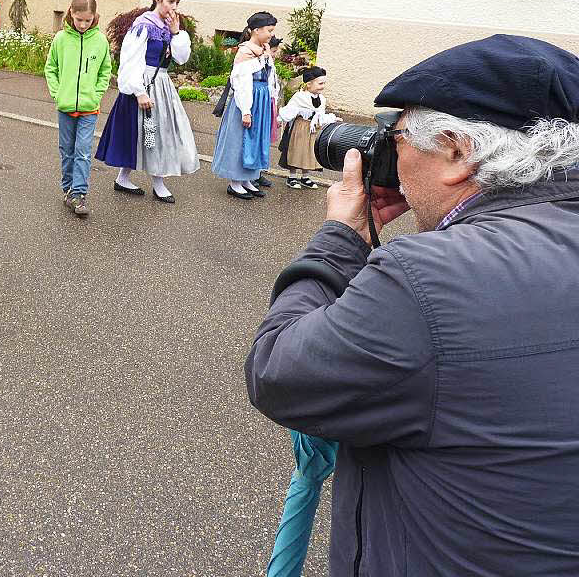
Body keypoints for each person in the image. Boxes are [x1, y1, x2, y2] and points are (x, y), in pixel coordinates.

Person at [245, 34, 579, 574]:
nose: (389, 161)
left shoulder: (431, 278)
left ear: (455, 150)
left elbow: (279, 371)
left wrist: (341, 235)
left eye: (395, 139)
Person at [95, 0, 199, 203]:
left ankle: (140, 180)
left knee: (156, 134)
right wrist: (139, 92)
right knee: (141, 133)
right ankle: (142, 181)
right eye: (171, 1)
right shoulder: (143, 24)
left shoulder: (170, 27)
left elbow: (181, 59)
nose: (174, 7)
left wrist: (176, 32)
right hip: (142, 84)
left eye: (177, 2)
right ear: (157, 0)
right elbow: (130, 60)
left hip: (162, 84)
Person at [43, 0, 112, 218]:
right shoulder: (61, 39)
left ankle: (79, 194)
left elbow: (105, 71)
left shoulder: (100, 41)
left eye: (88, 21)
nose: (83, 25)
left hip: (88, 108)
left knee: (83, 151)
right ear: (71, 13)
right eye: (80, 19)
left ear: (94, 18)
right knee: (67, 151)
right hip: (65, 107)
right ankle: (68, 190)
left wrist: (96, 93)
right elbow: (50, 68)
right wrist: (57, 93)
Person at [211, 11, 278, 200]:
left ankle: (248, 178)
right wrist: (246, 111)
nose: (271, 34)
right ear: (256, 30)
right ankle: (235, 182)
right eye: (269, 30)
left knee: (256, 139)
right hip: (248, 101)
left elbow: (271, 77)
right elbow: (240, 83)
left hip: (262, 99)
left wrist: (272, 100)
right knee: (241, 140)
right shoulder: (246, 52)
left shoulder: (264, 49)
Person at [277, 66, 338, 189]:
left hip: (313, 129)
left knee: (309, 152)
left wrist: (331, 119)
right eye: (320, 83)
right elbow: (289, 110)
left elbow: (320, 114)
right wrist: (280, 119)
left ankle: (305, 177)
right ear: (309, 84)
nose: (323, 86)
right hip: (300, 128)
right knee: (296, 150)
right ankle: (292, 177)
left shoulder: (322, 99)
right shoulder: (300, 97)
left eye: (324, 83)